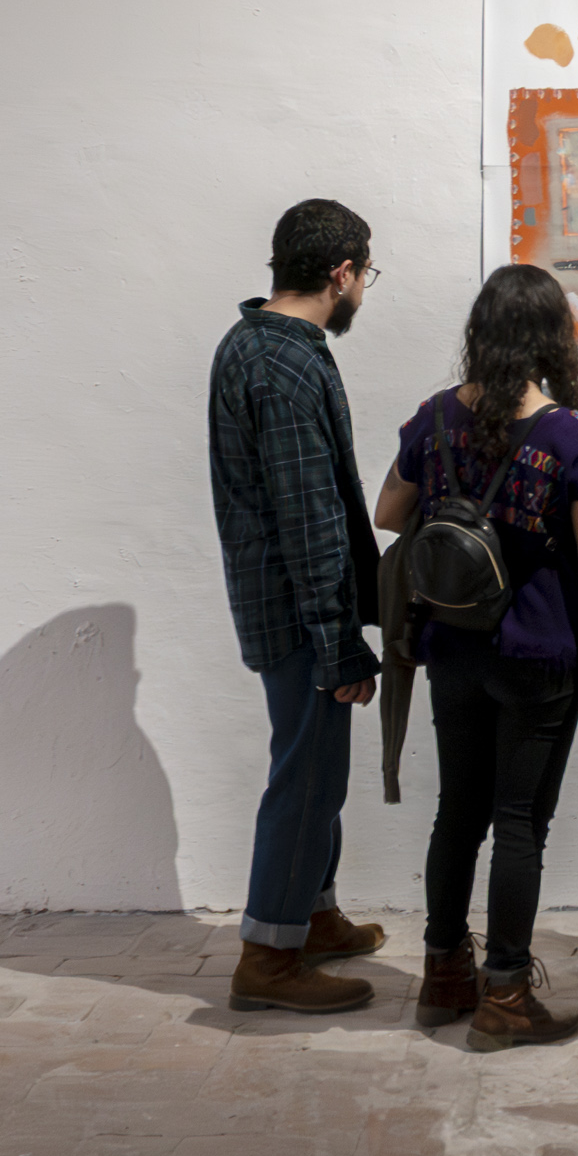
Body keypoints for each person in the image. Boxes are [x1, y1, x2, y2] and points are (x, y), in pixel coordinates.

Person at [372, 265, 578, 1051]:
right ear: (553, 338)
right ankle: (506, 994)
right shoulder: (569, 436)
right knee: (518, 823)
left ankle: (445, 973)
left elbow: (388, 512)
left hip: (453, 647)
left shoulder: (437, 418)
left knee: (458, 812)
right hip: (540, 655)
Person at [207, 198, 390, 1013]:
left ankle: (311, 918)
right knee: (308, 780)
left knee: (317, 770)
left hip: (283, 604)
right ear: (341, 273)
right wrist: (340, 642)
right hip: (299, 613)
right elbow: (310, 517)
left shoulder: (255, 342)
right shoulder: (282, 366)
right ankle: (268, 958)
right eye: (366, 274)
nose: (364, 290)